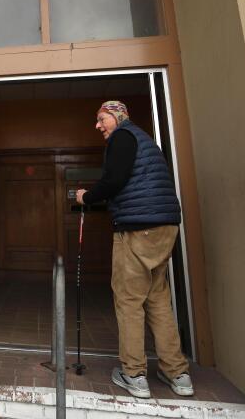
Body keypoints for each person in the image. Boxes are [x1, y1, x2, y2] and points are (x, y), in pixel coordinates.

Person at [76, 100, 194, 399]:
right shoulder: (143, 140)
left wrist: (86, 197)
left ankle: (133, 374)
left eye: (102, 119)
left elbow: (114, 180)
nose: (98, 125)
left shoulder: (123, 138)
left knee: (128, 300)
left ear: (118, 116)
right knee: (156, 298)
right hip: (164, 226)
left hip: (138, 228)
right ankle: (177, 374)